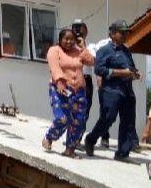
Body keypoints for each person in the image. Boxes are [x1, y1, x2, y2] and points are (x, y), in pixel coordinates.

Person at [84, 20, 141, 160]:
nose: (124, 35)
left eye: (126, 33)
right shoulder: (104, 50)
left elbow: (131, 68)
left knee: (128, 122)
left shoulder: (126, 51)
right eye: (121, 32)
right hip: (111, 90)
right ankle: (91, 139)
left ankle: (122, 153)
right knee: (108, 118)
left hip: (127, 90)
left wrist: (135, 74)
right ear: (112, 33)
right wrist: (121, 72)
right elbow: (99, 69)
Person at [42, 28, 94, 157]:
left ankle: (70, 149)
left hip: (79, 91)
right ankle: (49, 137)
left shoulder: (78, 51)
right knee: (63, 118)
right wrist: (59, 81)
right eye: (66, 39)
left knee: (79, 121)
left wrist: (83, 47)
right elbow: (54, 67)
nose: (69, 42)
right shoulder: (54, 50)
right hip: (60, 88)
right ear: (60, 39)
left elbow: (91, 62)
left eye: (72, 39)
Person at [79, 23, 111, 148]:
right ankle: (73, 138)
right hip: (71, 79)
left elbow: (93, 61)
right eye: (76, 30)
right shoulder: (68, 44)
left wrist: (83, 47)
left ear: (86, 32)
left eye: (82, 31)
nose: (79, 34)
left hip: (85, 79)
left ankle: (79, 139)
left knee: (86, 112)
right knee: (73, 111)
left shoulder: (91, 46)